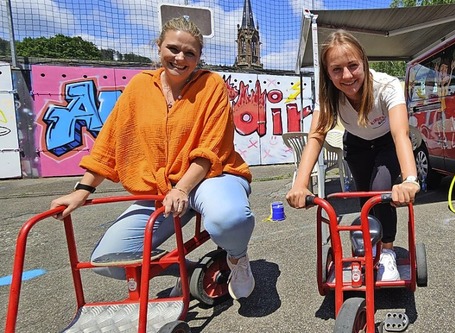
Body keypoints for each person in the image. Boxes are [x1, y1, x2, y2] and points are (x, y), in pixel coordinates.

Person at [49, 17, 256, 300]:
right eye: (173, 48)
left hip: (212, 177)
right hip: (163, 189)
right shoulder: (139, 87)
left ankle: (237, 258)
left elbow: (210, 149)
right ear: (159, 47)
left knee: (229, 219)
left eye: (190, 53)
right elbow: (110, 141)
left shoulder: (212, 85)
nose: (180, 58)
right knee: (107, 261)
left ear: (199, 57)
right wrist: (83, 189)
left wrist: (183, 188)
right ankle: (187, 269)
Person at [285, 30, 420, 281]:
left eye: (353, 66)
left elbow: (401, 134)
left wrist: (410, 179)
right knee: (363, 196)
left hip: (386, 142)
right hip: (357, 144)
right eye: (337, 70)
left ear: (364, 63)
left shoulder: (386, 86)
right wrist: (301, 184)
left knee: (381, 192)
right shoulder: (329, 96)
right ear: (328, 73)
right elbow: (316, 136)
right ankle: (370, 245)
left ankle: (387, 251)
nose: (347, 76)